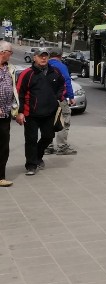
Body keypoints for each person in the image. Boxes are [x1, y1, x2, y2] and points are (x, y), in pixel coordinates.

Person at [15, 47, 66, 176]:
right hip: (31, 113)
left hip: (49, 112)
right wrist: (20, 112)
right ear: (34, 57)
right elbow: (19, 93)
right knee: (31, 140)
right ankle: (31, 165)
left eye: (45, 56)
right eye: (40, 56)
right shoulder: (27, 73)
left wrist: (59, 97)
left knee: (49, 136)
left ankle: (38, 156)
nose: (43, 58)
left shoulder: (55, 71)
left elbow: (62, 85)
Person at [45, 50, 77, 156]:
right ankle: (62, 146)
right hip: (60, 98)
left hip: (45, 99)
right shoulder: (61, 66)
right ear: (60, 56)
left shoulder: (44, 65)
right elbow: (66, 81)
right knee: (64, 119)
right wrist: (71, 97)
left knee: (48, 121)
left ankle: (48, 146)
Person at [0, 41, 19, 187]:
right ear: (2, 52)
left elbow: (13, 91)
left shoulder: (9, 68)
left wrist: (15, 109)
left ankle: (1, 177)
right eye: (10, 52)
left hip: (5, 114)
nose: (11, 55)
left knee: (3, 147)